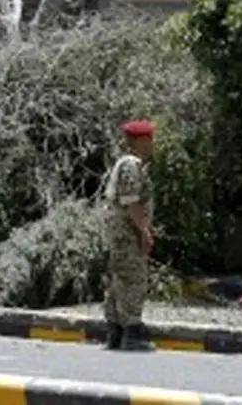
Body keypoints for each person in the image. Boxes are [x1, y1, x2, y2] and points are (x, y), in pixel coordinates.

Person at [102, 118, 156, 352]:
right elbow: (131, 202)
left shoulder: (128, 164)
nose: (153, 143)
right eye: (150, 138)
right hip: (127, 233)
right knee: (133, 279)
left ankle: (116, 332)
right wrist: (144, 231)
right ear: (140, 141)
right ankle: (131, 334)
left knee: (119, 281)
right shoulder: (131, 165)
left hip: (122, 232)